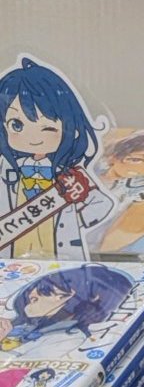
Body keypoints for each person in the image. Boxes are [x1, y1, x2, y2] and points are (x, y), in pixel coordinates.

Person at [0, 58, 112, 260]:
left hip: (63, 257)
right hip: (11, 261)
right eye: (17, 125)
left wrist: (78, 205)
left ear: (71, 128)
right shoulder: (4, 172)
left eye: (48, 128)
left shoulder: (70, 175)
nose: (33, 138)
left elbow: (102, 206)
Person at [1, 265, 133, 348]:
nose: (33, 295)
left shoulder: (67, 339)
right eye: (40, 287)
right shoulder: (16, 319)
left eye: (46, 292)